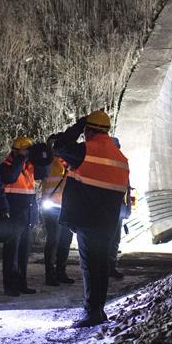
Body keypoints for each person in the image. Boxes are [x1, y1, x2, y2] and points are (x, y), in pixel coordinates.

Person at [53, 110, 130, 328]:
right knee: (102, 265)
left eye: (86, 129)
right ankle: (99, 309)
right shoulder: (120, 158)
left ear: (89, 130)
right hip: (108, 222)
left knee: (89, 266)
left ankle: (92, 312)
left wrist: (78, 124)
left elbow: (59, 145)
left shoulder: (86, 150)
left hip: (87, 218)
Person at [0, 136, 39, 296]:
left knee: (23, 253)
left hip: (27, 216)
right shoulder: (5, 167)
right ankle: (10, 286)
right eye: (26, 151)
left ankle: (22, 283)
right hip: (13, 216)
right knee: (11, 253)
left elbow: (43, 173)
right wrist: (20, 158)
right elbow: (10, 177)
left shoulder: (30, 168)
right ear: (16, 151)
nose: (28, 155)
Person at [40, 154, 75, 287]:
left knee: (65, 241)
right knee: (53, 240)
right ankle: (50, 275)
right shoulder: (50, 163)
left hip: (67, 209)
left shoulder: (74, 165)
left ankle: (61, 272)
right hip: (52, 208)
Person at [107, 138, 134, 280]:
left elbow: (127, 188)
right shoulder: (106, 163)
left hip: (116, 208)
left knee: (114, 240)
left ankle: (110, 268)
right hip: (108, 208)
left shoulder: (122, 163)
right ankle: (105, 268)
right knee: (108, 240)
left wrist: (128, 207)